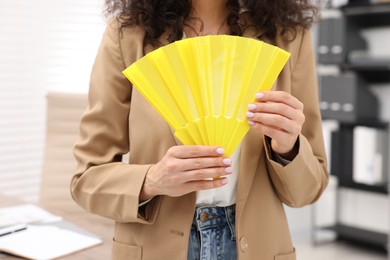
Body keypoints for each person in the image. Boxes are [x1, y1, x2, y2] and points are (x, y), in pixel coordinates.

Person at [71, 0, 329, 259]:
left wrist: (287, 148)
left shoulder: (288, 36)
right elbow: (86, 180)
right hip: (154, 247)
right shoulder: (127, 35)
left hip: (258, 246)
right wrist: (152, 180)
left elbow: (309, 190)